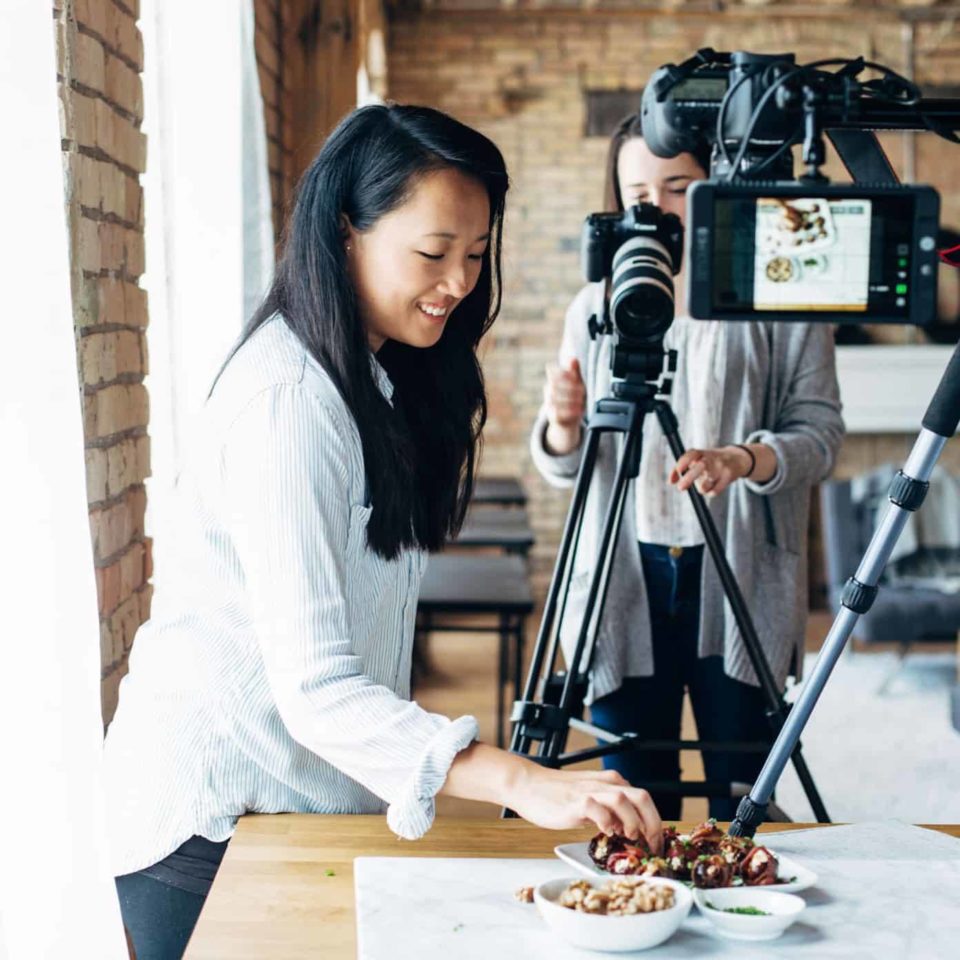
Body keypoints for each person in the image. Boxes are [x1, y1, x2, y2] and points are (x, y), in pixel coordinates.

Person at [104, 104, 661, 960]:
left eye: (476, 256)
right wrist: (518, 778)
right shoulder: (288, 400)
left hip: (296, 797)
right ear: (345, 232)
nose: (460, 282)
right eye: (434, 253)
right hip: (214, 819)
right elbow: (320, 689)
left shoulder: (368, 375)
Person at [530, 112, 845, 823]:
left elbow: (822, 434)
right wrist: (562, 423)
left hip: (739, 571)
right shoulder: (595, 306)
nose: (655, 208)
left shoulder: (779, 295)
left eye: (678, 187)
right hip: (623, 576)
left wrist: (744, 459)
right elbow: (566, 466)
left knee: (744, 794)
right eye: (637, 189)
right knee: (633, 805)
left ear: (717, 190)